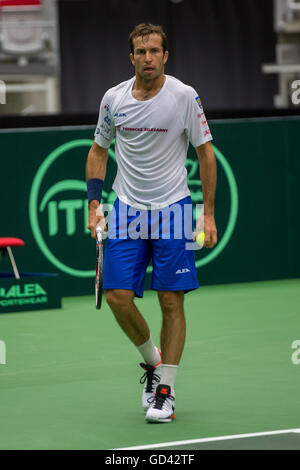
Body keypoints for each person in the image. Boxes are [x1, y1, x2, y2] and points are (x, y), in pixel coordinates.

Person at [86, 23, 217, 423]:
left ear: (165, 56)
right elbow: (97, 152)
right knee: (117, 297)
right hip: (126, 207)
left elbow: (206, 156)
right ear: (132, 58)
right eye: (140, 52)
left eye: (154, 51)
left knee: (170, 301)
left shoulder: (184, 97)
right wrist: (94, 204)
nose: (147, 58)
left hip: (174, 209)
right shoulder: (114, 99)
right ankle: (151, 362)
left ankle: (166, 390)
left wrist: (207, 213)